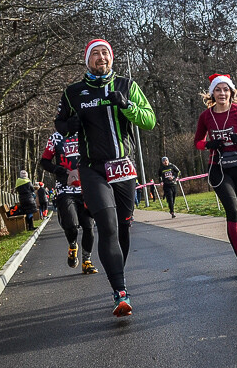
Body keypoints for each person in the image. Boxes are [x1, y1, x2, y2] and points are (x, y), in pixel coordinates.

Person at [55, 38, 156, 317]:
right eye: (95, 54)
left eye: (106, 53)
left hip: (123, 166)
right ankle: (120, 292)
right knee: (107, 226)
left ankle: (117, 276)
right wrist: (69, 126)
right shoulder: (74, 92)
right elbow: (60, 124)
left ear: (112, 58)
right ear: (87, 60)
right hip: (93, 168)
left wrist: (126, 106)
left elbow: (149, 120)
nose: (102, 57)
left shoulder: (126, 85)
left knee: (123, 228)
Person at [194, 73, 237, 278]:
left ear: (231, 92)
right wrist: (208, 144)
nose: (222, 93)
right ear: (212, 93)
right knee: (232, 211)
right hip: (218, 167)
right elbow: (197, 142)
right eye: (218, 89)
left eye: (225, 89)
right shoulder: (206, 116)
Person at [40, 132, 98, 274]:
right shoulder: (56, 138)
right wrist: (56, 169)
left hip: (86, 188)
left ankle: (87, 261)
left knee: (89, 226)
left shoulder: (86, 132)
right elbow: (44, 161)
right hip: (65, 189)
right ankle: (72, 245)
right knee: (72, 225)